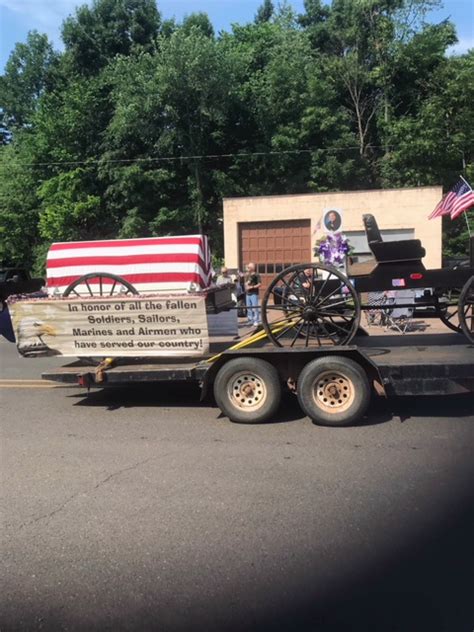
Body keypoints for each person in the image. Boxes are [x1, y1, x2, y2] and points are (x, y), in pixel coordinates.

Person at [244, 262, 261, 326]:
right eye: (248, 267)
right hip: (247, 294)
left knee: (254, 308)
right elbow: (246, 283)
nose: (248, 268)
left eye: (249, 267)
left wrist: (252, 287)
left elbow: (260, 284)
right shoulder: (248, 275)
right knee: (248, 308)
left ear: (252, 268)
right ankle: (250, 320)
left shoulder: (256, 275)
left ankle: (256, 320)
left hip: (254, 293)